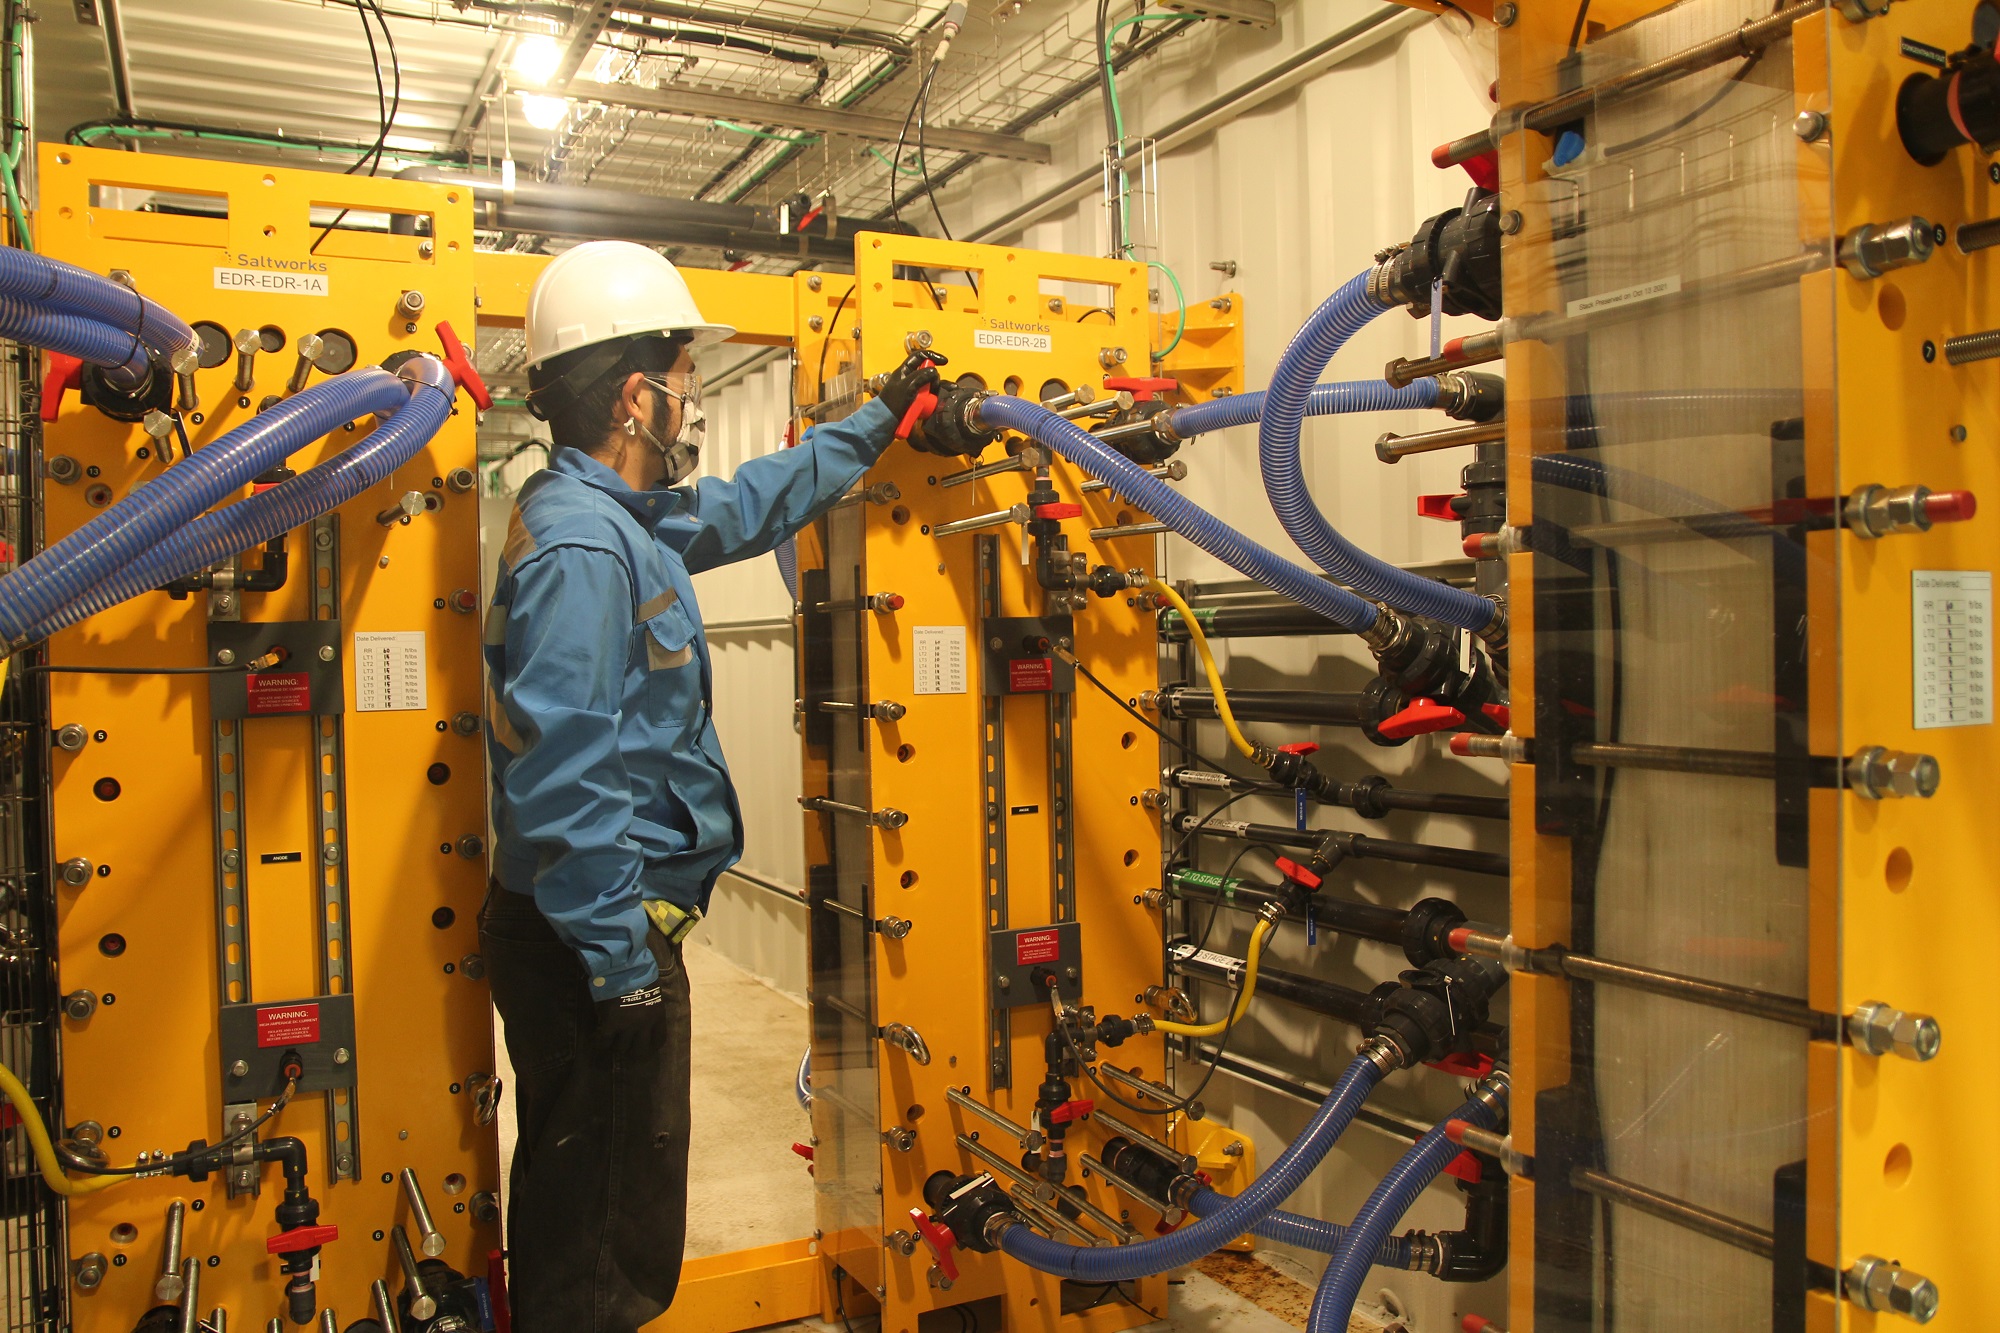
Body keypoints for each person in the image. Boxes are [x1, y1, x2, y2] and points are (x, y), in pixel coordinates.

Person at [479, 240, 937, 1331]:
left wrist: (875, 425)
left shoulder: (614, 519)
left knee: (593, 1202)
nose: (689, 401)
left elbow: (742, 507)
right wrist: (617, 961)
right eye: (683, 378)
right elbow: (566, 770)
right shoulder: (584, 551)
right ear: (636, 398)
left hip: (600, 929)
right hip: (594, 940)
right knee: (603, 1228)